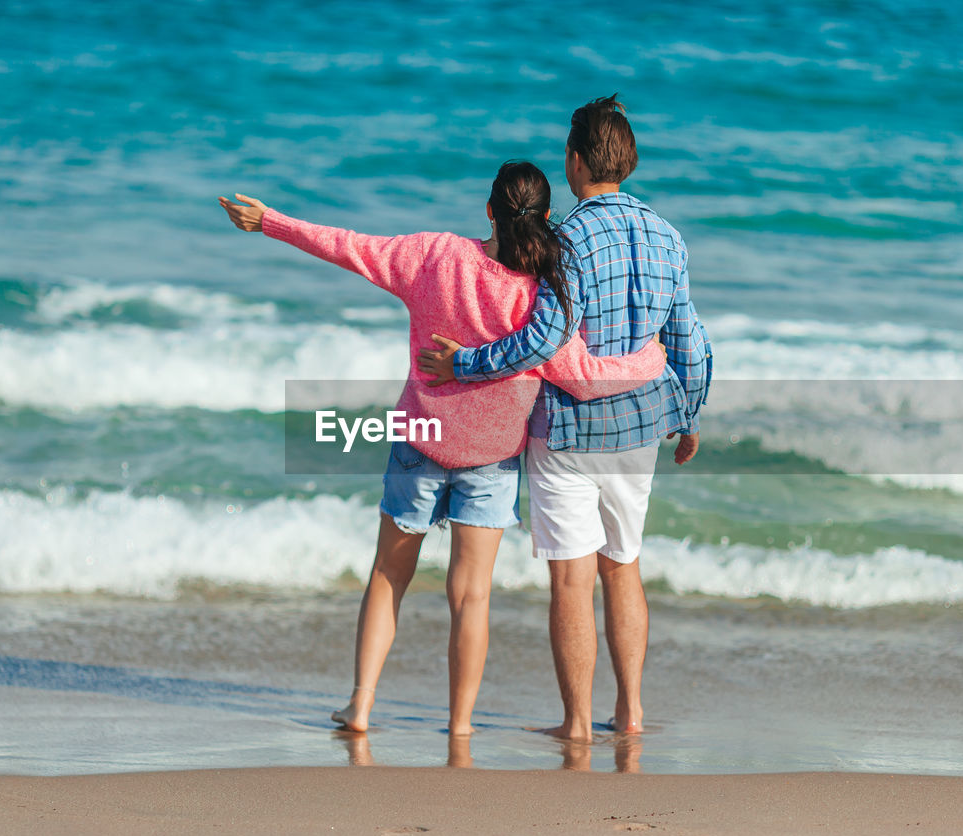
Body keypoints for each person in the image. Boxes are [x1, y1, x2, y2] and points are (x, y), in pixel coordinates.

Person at [218, 160, 665, 736]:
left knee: (388, 573)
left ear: (489, 211)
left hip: (421, 438)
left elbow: (350, 247)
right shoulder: (544, 296)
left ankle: (361, 703)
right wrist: (650, 360)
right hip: (492, 458)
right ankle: (459, 726)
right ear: (548, 217)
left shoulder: (434, 256)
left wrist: (271, 222)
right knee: (470, 596)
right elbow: (582, 377)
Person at [418, 96, 712, 742]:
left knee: (572, 576)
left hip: (571, 432)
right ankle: (630, 708)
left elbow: (544, 339)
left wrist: (465, 364)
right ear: (626, 159)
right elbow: (688, 336)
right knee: (623, 564)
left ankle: (578, 723)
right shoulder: (670, 238)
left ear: (576, 162)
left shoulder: (567, 240)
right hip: (640, 434)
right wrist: (689, 414)